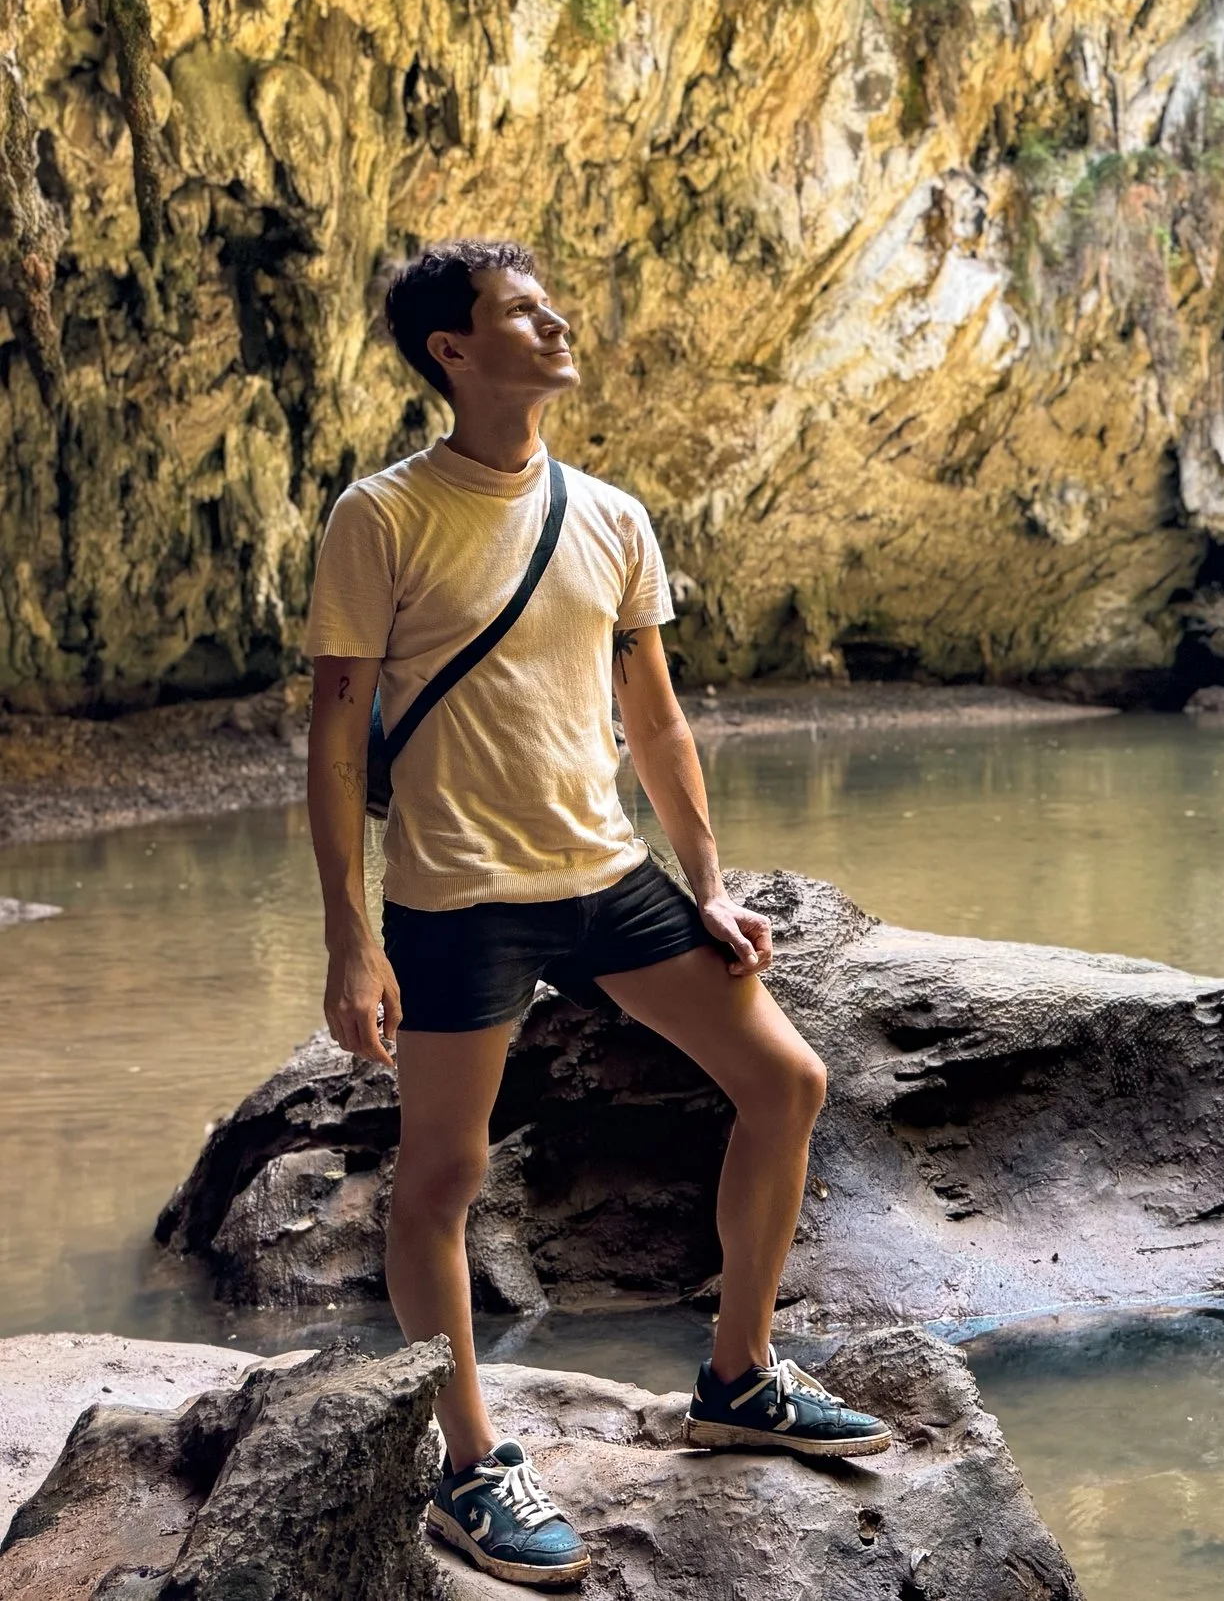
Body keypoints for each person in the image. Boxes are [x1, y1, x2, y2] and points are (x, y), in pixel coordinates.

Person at [304, 240, 890, 1589]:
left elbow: (655, 713)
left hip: (605, 877)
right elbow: (336, 738)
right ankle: (469, 1462)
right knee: (441, 1180)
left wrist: (708, 882)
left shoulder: (613, 513)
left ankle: (736, 1375)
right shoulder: (382, 516)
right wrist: (351, 934)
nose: (558, 324)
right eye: (521, 311)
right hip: (460, 894)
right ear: (452, 349)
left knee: (786, 1082)